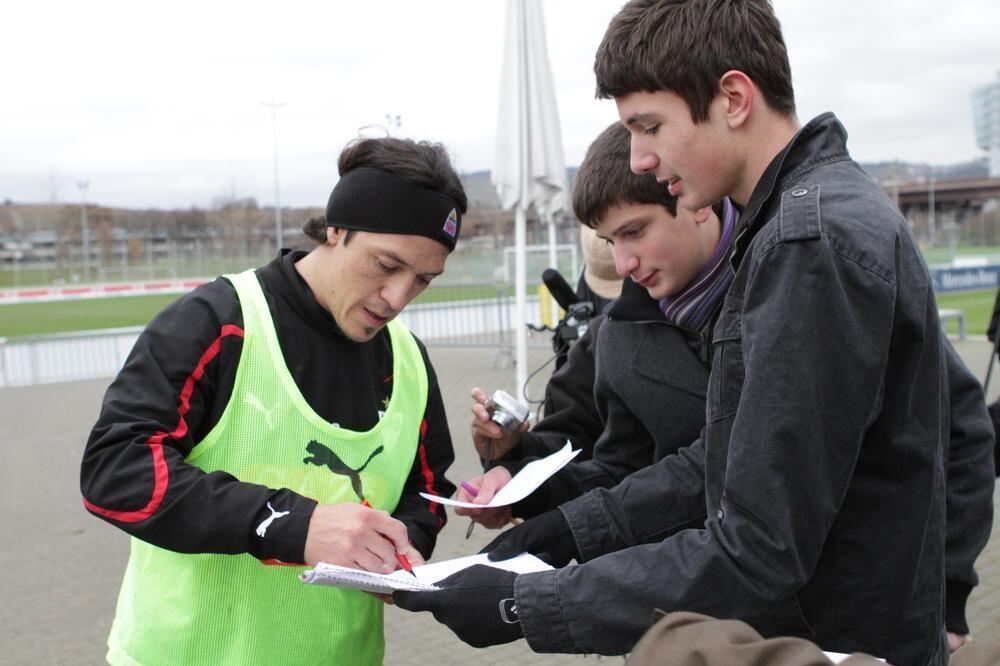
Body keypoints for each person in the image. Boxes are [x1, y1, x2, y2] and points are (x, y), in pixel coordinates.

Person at [394, 2, 995, 664]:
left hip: (830, 637)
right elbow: (713, 465)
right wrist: (559, 532)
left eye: (649, 127)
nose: (642, 159)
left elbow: (757, 546)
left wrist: (531, 601)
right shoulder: (808, 222)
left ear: (734, 98)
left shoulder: (807, 243)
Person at [80, 136, 466, 665]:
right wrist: (294, 524)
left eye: (423, 279)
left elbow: (425, 490)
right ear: (336, 230)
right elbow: (115, 471)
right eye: (385, 265)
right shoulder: (218, 322)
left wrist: (402, 548)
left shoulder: (409, 359)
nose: (398, 298)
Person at [460, 121, 736, 526]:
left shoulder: (783, 285)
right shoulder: (619, 334)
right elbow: (618, 469)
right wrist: (517, 476)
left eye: (635, 232)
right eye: (610, 242)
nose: (624, 265)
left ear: (696, 197)